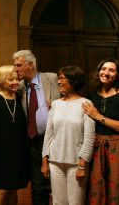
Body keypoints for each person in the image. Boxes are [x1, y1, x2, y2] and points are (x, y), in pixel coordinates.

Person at [41, 65, 95, 205]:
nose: (58, 81)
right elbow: (49, 134)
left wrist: (82, 165)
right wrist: (45, 160)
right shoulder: (56, 104)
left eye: (62, 78)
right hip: (55, 161)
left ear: (74, 81)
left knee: (75, 203)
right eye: (59, 78)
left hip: (76, 163)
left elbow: (89, 138)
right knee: (58, 202)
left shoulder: (86, 104)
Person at [13, 50, 60, 205]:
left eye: (19, 65)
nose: (16, 69)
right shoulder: (19, 87)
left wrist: (58, 105)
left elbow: (69, 97)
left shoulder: (52, 78)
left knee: (57, 184)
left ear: (30, 64)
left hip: (56, 140)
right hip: (34, 142)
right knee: (38, 187)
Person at [0, 65, 28, 205]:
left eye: (17, 79)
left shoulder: (20, 98)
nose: (15, 82)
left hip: (18, 153)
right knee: (2, 190)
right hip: (0, 154)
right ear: (1, 81)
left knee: (14, 190)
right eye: (11, 79)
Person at [82, 58, 119, 205]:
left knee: (115, 186)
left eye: (111, 70)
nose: (106, 72)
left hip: (116, 147)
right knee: (95, 187)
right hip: (95, 146)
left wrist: (98, 116)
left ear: (117, 74)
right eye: (103, 69)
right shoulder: (91, 96)